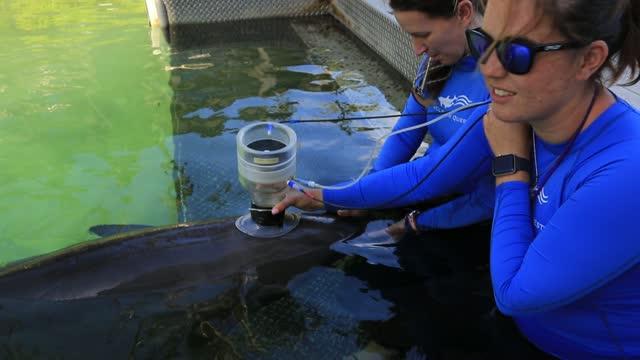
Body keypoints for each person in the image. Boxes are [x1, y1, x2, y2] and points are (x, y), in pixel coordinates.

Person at [275, 0, 640, 356]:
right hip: (519, 324)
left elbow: (515, 294)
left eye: (516, 54)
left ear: (588, 59)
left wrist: (510, 166)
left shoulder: (625, 172)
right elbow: (421, 172)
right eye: (484, 43)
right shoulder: (522, 112)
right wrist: (331, 196)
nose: (488, 68)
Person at [341, 0, 493, 232]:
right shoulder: (436, 62)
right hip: (426, 189)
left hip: (474, 217)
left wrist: (413, 224)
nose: (417, 49)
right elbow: (404, 136)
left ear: (463, 12)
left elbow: (489, 195)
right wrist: (366, 195)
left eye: (423, 34)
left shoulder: (502, 79)